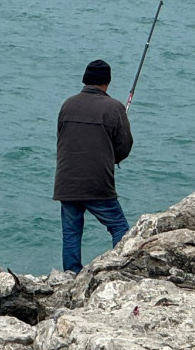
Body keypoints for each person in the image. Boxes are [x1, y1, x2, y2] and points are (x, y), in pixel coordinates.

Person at [53, 59, 134, 273]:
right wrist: (112, 156)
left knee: (71, 232)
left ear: (85, 80)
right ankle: (119, 269)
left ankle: (71, 274)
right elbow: (124, 147)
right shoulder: (115, 108)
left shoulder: (67, 104)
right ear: (107, 83)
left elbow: (61, 138)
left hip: (66, 182)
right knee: (119, 228)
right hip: (97, 183)